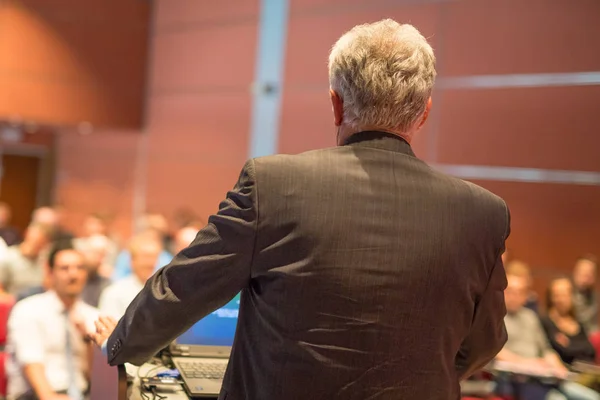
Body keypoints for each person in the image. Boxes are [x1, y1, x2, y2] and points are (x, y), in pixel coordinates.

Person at [90, 19, 510, 399]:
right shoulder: (483, 214)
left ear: (337, 104)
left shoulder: (274, 185)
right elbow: (484, 341)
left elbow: (183, 288)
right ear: (424, 113)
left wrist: (120, 344)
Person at [6, 246, 98, 400]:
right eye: (64, 268)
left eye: (79, 268)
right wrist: (48, 395)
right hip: (34, 395)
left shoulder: (93, 316)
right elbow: (31, 361)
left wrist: (87, 341)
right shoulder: (28, 310)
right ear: (50, 273)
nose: (73, 274)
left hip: (81, 394)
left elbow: (94, 377)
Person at [496, 275, 599, 400]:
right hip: (516, 378)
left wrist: (557, 366)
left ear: (525, 296)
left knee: (592, 397)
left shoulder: (530, 317)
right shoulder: (495, 317)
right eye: (511, 291)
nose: (515, 296)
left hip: (544, 376)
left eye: (520, 292)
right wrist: (527, 363)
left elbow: (545, 349)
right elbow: (495, 352)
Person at [98, 233, 162, 319]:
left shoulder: (163, 290)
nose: (150, 263)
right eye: (146, 257)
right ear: (132, 260)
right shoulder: (114, 293)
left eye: (154, 257)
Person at [542, 277, 596, 366]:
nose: (562, 299)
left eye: (566, 294)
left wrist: (570, 345)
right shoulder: (546, 322)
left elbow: (590, 351)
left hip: (585, 370)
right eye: (558, 295)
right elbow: (564, 352)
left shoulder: (579, 322)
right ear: (551, 298)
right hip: (562, 372)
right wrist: (577, 347)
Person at [572, 255, 599, 334]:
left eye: (589, 274)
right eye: (581, 272)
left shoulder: (595, 298)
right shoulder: (565, 295)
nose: (584, 277)